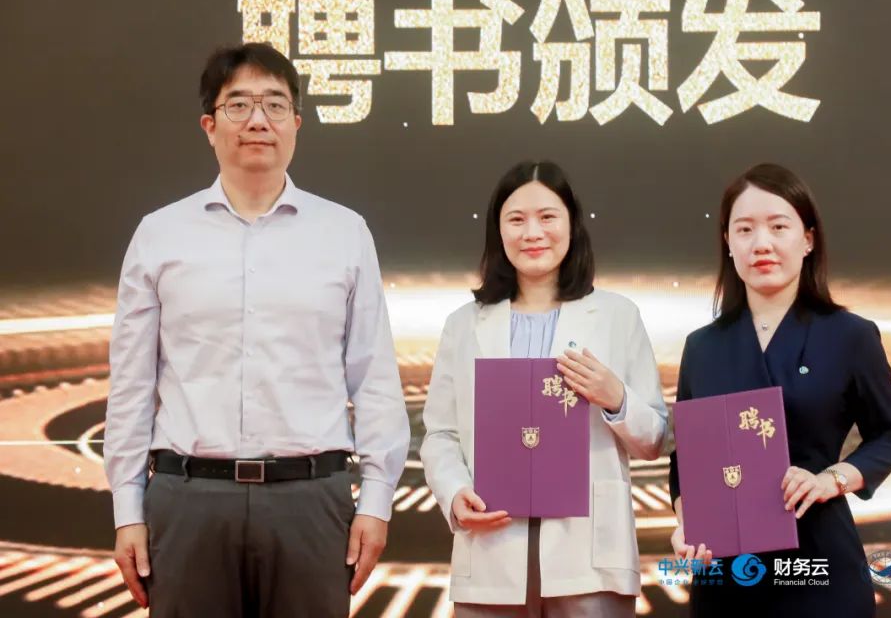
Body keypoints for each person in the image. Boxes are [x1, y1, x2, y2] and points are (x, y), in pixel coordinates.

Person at [104, 42, 410, 617]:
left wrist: (376, 499)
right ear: (209, 125)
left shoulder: (344, 233)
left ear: (296, 123)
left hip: (310, 502)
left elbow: (373, 377)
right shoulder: (160, 234)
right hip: (188, 499)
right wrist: (127, 508)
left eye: (274, 104)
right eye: (238, 105)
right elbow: (131, 384)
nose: (257, 121)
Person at [421, 160, 668, 616]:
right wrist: (455, 493)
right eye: (516, 219)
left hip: (590, 555)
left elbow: (655, 439)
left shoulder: (617, 316)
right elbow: (440, 433)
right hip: (491, 546)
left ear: (572, 224)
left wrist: (615, 397)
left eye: (548, 217)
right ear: (498, 231)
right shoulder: (464, 325)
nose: (532, 232)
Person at [668, 163, 891, 617]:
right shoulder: (702, 347)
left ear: (808, 239)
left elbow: (890, 437)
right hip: (727, 578)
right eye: (745, 229)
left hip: (818, 567)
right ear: (728, 242)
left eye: (778, 226)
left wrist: (829, 480)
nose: (761, 243)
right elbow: (686, 462)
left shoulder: (851, 335)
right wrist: (688, 525)